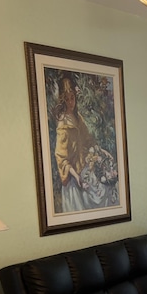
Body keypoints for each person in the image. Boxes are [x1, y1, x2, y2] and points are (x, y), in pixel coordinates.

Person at [53, 74, 95, 213]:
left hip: (83, 170)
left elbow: (88, 139)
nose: (71, 102)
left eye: (73, 98)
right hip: (72, 178)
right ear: (62, 100)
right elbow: (61, 159)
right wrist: (76, 177)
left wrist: (98, 150)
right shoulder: (63, 125)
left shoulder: (77, 118)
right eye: (67, 99)